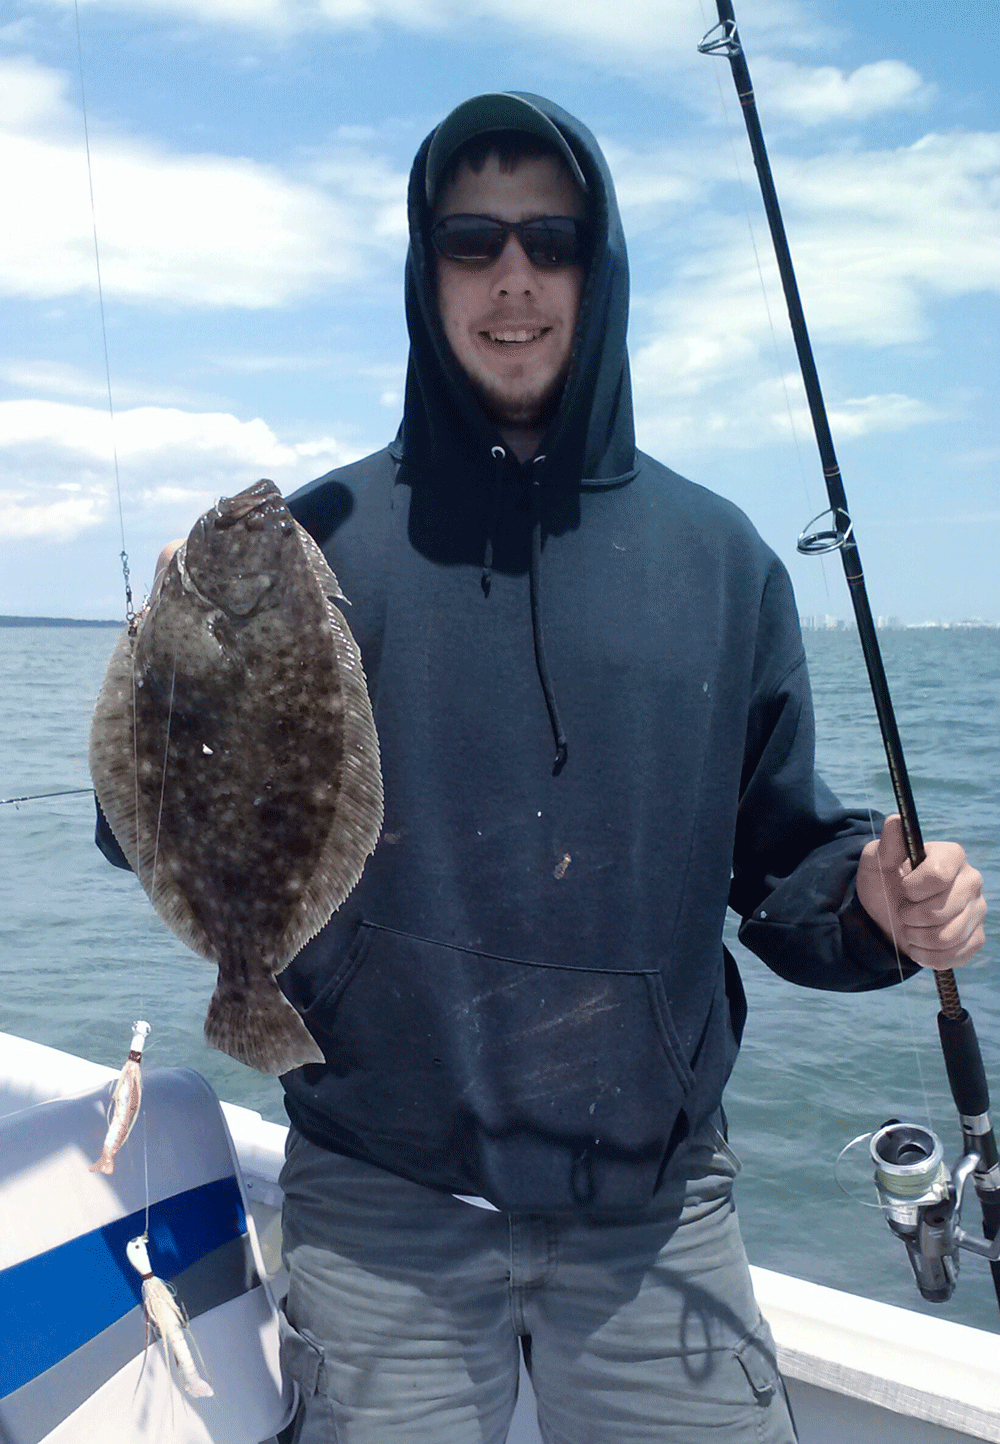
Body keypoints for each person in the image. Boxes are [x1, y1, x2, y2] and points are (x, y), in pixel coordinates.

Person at [103, 94, 986, 1443]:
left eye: (551, 240)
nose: (513, 276)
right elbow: (155, 819)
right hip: (381, 1195)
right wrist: (174, 667)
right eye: (472, 239)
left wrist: (873, 904)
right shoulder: (320, 539)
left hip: (656, 1209)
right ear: (427, 268)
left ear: (601, 265)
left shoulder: (723, 561)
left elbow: (784, 863)